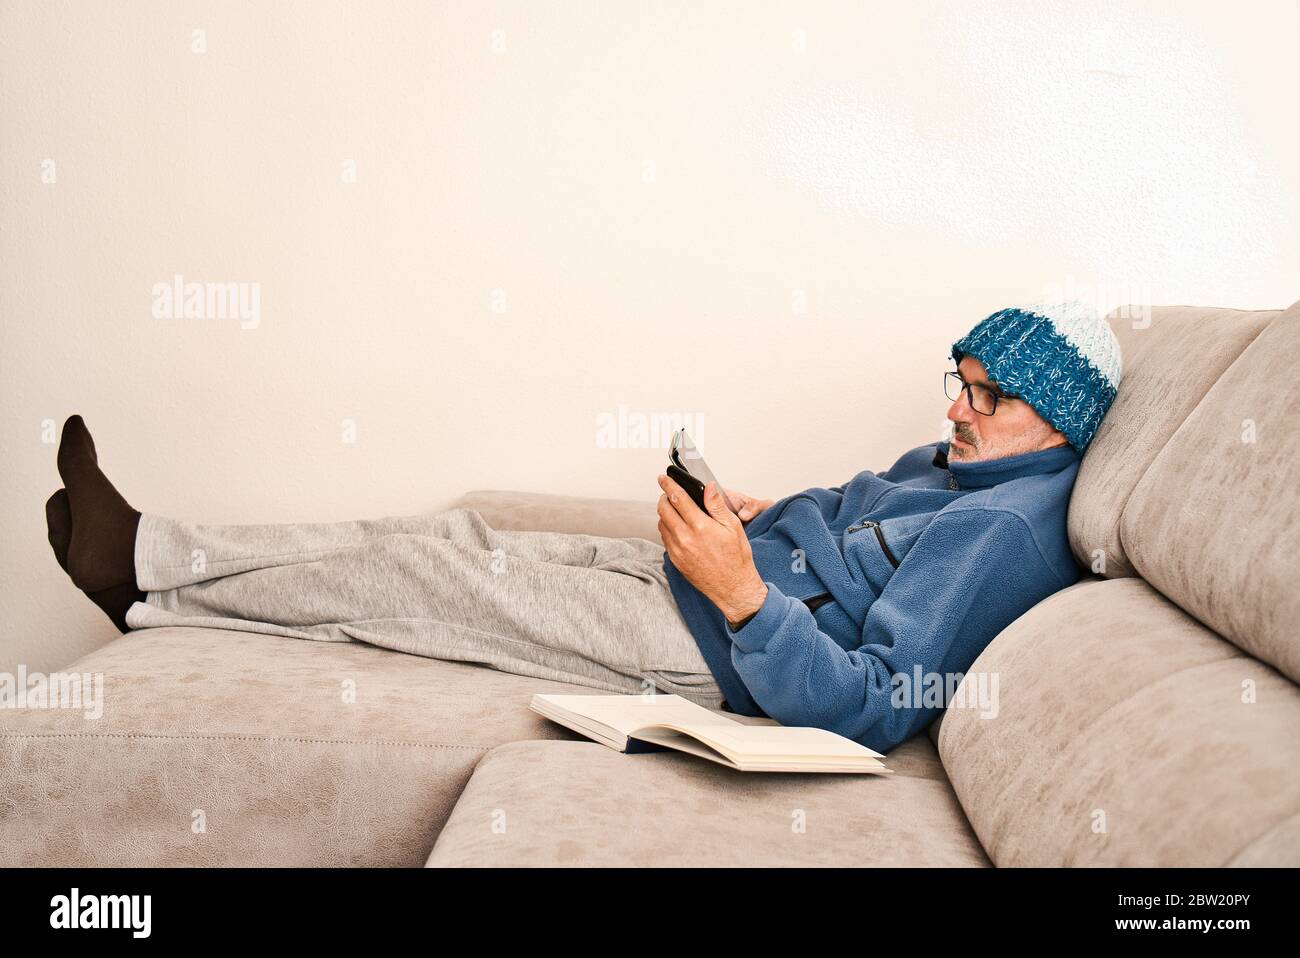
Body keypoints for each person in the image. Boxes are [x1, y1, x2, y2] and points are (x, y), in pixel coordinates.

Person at [44, 302, 1121, 753]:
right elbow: (861, 530)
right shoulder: (964, 465)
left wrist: (745, 590)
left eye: (985, 396)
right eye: (959, 383)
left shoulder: (1010, 535)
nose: (953, 409)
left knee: (427, 581)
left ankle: (140, 564)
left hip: (711, 646)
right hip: (710, 581)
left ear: (1055, 416)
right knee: (450, 535)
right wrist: (766, 513)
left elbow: (878, 704)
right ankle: (147, 570)